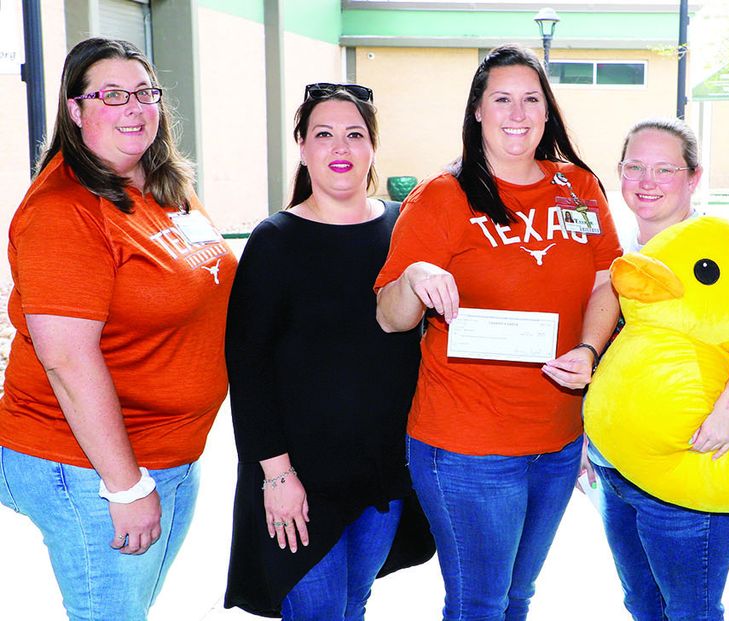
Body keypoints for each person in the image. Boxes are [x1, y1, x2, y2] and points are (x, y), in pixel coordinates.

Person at [374, 44, 621, 620]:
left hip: (558, 440)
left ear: (547, 111)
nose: (518, 113)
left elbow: (606, 283)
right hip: (467, 446)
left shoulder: (578, 188)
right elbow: (391, 316)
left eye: (531, 99)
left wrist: (588, 349)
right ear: (478, 112)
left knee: (517, 596)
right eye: (502, 99)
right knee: (479, 603)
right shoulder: (441, 196)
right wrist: (416, 275)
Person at [0, 37, 235, 620]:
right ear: (75, 111)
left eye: (145, 92)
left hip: (167, 451)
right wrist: (126, 488)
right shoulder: (64, 211)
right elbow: (67, 360)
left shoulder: (157, 186)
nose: (134, 107)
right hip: (90, 465)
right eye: (111, 95)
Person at [223, 83, 434, 619]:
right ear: (302, 146)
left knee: (353, 603)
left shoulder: (401, 226)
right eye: (323, 134)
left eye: (354, 135)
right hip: (299, 478)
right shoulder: (274, 242)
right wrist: (276, 476)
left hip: (382, 472)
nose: (339, 147)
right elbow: (248, 373)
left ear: (371, 149)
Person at [589, 118, 729, 620]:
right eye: (635, 167)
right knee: (642, 604)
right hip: (618, 472)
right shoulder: (621, 254)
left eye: (664, 169)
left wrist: (728, 409)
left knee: (691, 612)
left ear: (694, 178)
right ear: (619, 173)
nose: (647, 181)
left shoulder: (714, 250)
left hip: (692, 463)